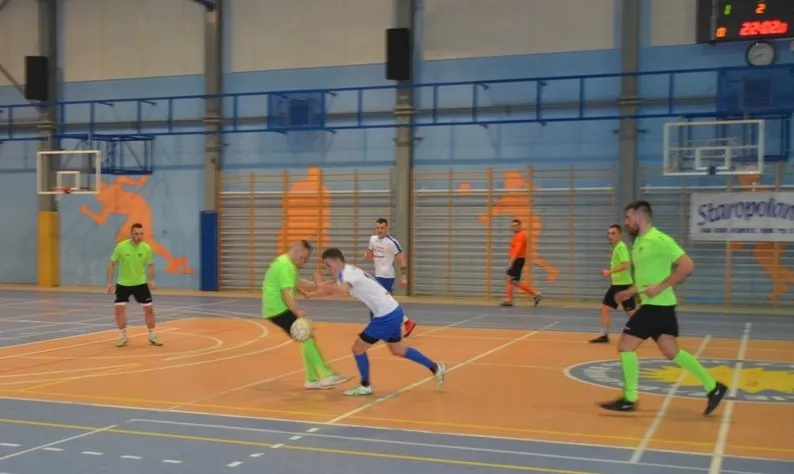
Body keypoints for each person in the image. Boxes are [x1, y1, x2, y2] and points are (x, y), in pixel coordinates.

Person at [599, 200, 728, 415]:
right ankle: (713, 387)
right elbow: (646, 278)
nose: (626, 222)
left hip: (656, 307)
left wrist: (661, 287)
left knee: (625, 346)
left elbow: (687, 265)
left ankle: (630, 398)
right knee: (671, 351)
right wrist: (630, 292)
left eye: (628, 218)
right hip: (661, 307)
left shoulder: (659, 240)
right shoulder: (639, 243)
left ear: (639, 217)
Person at [310, 248, 446, 396]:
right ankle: (435, 367)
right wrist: (311, 294)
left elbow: (341, 291)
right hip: (394, 311)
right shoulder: (346, 273)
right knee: (398, 350)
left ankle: (365, 385)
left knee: (358, 348)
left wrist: (320, 285)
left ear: (338, 261)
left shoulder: (349, 274)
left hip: (385, 315)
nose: (327, 269)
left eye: (328, 265)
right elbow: (331, 289)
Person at [262, 240, 350, 390]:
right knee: (307, 336)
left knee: (307, 337)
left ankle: (312, 379)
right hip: (278, 309)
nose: (303, 262)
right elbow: (286, 293)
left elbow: (295, 282)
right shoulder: (285, 266)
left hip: (274, 309)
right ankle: (325, 375)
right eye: (303, 258)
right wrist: (297, 311)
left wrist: (318, 285)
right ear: (297, 251)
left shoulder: (285, 263)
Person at [107, 223, 161, 347]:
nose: (139, 236)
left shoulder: (146, 248)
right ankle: (123, 336)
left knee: (149, 310)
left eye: (141, 234)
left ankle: (152, 335)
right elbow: (111, 263)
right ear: (131, 234)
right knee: (119, 310)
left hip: (140, 284)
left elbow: (151, 264)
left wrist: (152, 280)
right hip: (123, 284)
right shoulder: (121, 247)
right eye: (136, 234)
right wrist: (109, 282)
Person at [364, 218, 416, 337]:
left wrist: (403, 276)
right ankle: (406, 322)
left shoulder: (392, 242)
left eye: (382, 228)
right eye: (378, 228)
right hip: (377, 275)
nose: (380, 230)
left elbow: (402, 259)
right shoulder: (372, 239)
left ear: (387, 229)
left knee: (375, 301)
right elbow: (370, 255)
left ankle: (374, 328)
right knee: (385, 302)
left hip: (386, 276)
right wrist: (367, 255)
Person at [590, 224, 637, 343]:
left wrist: (609, 272)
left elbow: (626, 265)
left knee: (631, 313)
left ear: (619, 235)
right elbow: (620, 265)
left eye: (613, 233)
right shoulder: (616, 247)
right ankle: (604, 336)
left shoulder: (621, 247)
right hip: (617, 285)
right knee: (605, 308)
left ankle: (650, 329)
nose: (610, 236)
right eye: (609, 234)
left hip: (623, 286)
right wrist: (609, 271)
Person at [500, 219, 542, 307]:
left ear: (520, 226)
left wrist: (511, 261)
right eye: (512, 226)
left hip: (517, 260)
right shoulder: (517, 236)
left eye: (516, 225)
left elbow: (517, 249)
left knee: (512, 280)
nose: (514, 227)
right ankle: (535, 294)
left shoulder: (520, 235)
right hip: (517, 260)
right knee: (512, 280)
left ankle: (534, 294)